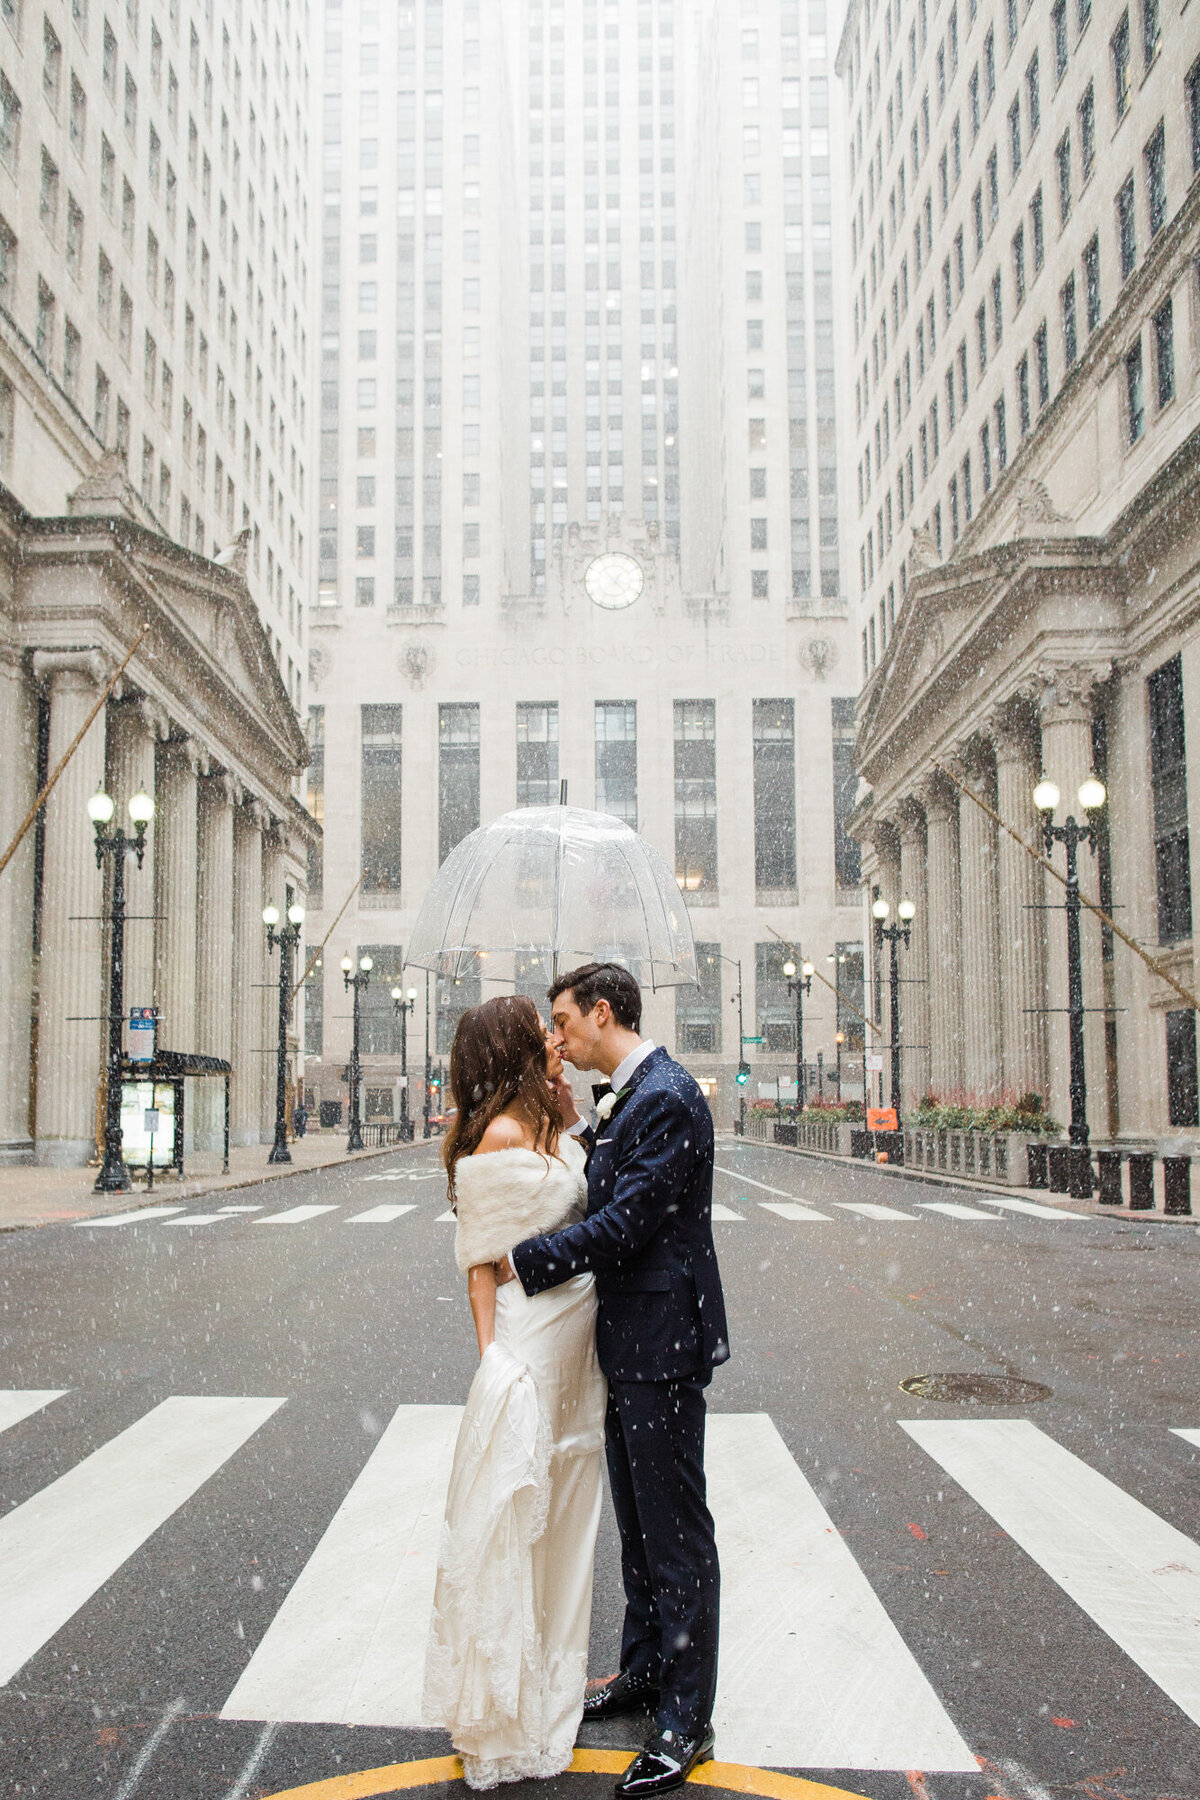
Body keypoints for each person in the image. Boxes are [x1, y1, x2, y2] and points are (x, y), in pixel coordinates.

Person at [497, 962, 729, 1799]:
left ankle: (687, 1721)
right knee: (637, 1524)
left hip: (663, 1342)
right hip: (631, 1340)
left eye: (564, 1021)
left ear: (604, 1012)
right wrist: (564, 1120)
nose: (557, 1037)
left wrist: (522, 1261)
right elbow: (594, 1177)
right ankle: (644, 1672)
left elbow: (624, 1222)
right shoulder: (629, 1096)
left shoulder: (666, 1096)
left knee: (674, 1536)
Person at [422, 995, 606, 1790]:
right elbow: (481, 1266)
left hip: (577, 1353)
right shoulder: (499, 1134)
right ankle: (513, 1715)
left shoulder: (547, 1124)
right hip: (533, 1353)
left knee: (567, 1524)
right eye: (539, 1035)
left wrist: (569, 1119)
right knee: (523, 1529)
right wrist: (492, 1362)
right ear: (511, 1053)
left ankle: (552, 1696)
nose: (551, 1040)